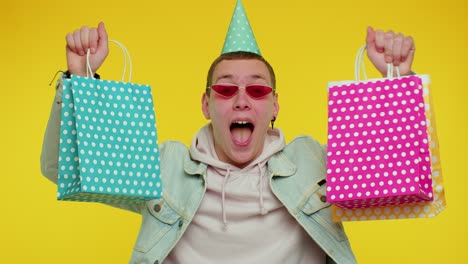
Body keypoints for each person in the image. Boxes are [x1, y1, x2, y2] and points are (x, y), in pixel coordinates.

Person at [40, 2, 416, 263]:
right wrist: (79, 83)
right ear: (206, 105)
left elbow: (399, 180)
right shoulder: (166, 167)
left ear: (274, 106)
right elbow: (63, 170)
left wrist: (395, 83)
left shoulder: (312, 162)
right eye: (224, 89)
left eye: (257, 89)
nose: (241, 100)